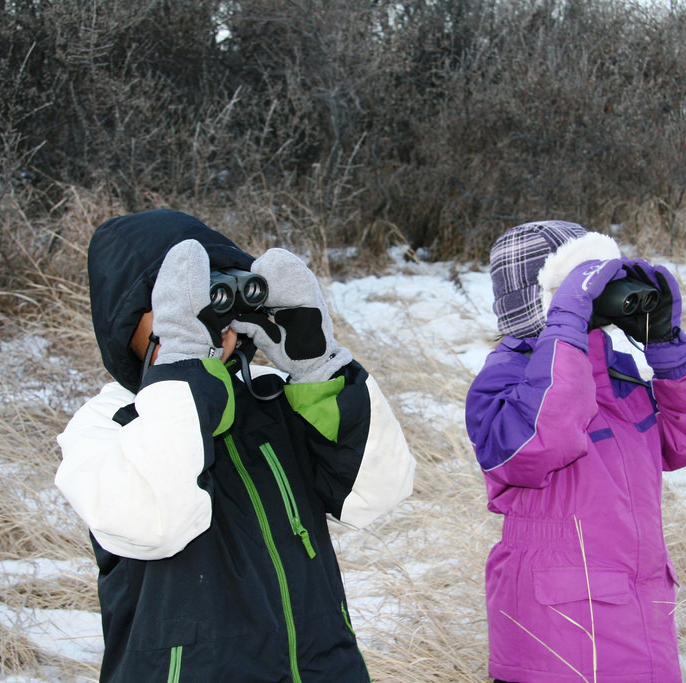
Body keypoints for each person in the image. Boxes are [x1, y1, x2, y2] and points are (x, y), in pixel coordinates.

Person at [55, 209, 416, 682]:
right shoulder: (107, 423)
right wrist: (183, 366)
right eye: (173, 305)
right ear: (125, 326)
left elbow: (378, 489)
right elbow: (154, 522)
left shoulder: (270, 396)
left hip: (322, 664)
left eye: (215, 297)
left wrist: (317, 366)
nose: (208, 318)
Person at [464, 220, 686, 682]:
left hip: (643, 614)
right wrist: (564, 325)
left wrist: (666, 345)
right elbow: (539, 442)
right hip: (559, 635)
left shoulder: (618, 373)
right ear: (548, 295)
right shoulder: (506, 376)